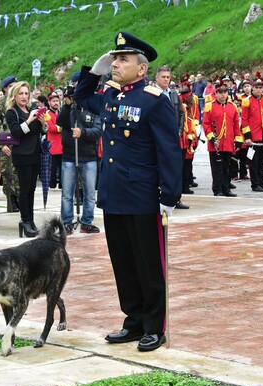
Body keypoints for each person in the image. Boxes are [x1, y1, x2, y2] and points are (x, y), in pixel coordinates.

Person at [74, 31, 182, 352]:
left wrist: (170, 196)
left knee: (149, 264)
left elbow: (169, 150)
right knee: (124, 263)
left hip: (144, 195)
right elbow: (81, 98)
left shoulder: (153, 99)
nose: (116, 64)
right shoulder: (109, 94)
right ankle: (133, 320)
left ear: (142, 68)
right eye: (115, 58)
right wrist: (94, 71)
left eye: (123, 59)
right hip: (113, 193)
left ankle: (154, 326)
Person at [57, 72, 102, 235]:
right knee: (67, 193)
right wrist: (67, 105)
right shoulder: (69, 105)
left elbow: (98, 130)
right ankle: (66, 222)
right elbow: (60, 122)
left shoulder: (94, 104)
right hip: (69, 155)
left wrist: (82, 132)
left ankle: (87, 221)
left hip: (88, 156)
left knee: (90, 193)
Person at [5, 81, 46, 238]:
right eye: (20, 93)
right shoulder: (12, 112)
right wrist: (29, 120)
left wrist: (42, 123)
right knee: (25, 189)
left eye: (26, 93)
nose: (24, 96)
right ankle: (25, 220)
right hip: (22, 154)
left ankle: (31, 220)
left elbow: (38, 131)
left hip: (35, 153)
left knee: (32, 189)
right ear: (14, 96)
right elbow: (16, 132)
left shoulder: (30, 110)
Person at [154, 65, 188, 209]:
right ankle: (159, 196)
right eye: (163, 77)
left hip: (173, 137)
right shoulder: (151, 93)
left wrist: (179, 131)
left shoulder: (173, 94)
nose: (166, 79)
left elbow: (181, 113)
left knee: (174, 166)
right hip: (158, 137)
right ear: (156, 78)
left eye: (168, 77)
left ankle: (175, 197)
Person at [202, 81, 242, 197]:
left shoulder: (232, 106)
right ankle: (217, 189)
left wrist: (238, 140)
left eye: (225, 92)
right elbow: (206, 124)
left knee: (227, 167)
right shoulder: (210, 106)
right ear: (216, 93)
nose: (223, 95)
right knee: (217, 168)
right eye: (220, 92)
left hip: (228, 142)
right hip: (216, 143)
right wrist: (212, 139)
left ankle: (226, 188)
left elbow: (236, 125)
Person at [0, 75, 20, 212]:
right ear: (5, 88)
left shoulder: (19, 101)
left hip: (20, 144)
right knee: (8, 173)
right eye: (11, 87)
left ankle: (19, 198)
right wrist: (1, 145)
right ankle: (11, 199)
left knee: (19, 173)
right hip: (7, 144)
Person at [241, 78, 263, 192]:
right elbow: (244, 120)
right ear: (253, 88)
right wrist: (248, 136)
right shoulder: (247, 101)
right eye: (256, 88)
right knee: (253, 161)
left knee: (261, 160)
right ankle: (255, 184)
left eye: (261, 88)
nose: (259, 90)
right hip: (253, 135)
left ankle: (261, 181)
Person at [45, 92, 62, 189]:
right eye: (53, 101)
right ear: (49, 102)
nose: (56, 103)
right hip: (53, 145)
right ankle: (51, 185)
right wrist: (62, 128)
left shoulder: (60, 112)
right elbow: (51, 128)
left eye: (57, 101)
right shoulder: (47, 114)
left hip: (62, 144)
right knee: (53, 167)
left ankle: (61, 185)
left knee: (62, 167)